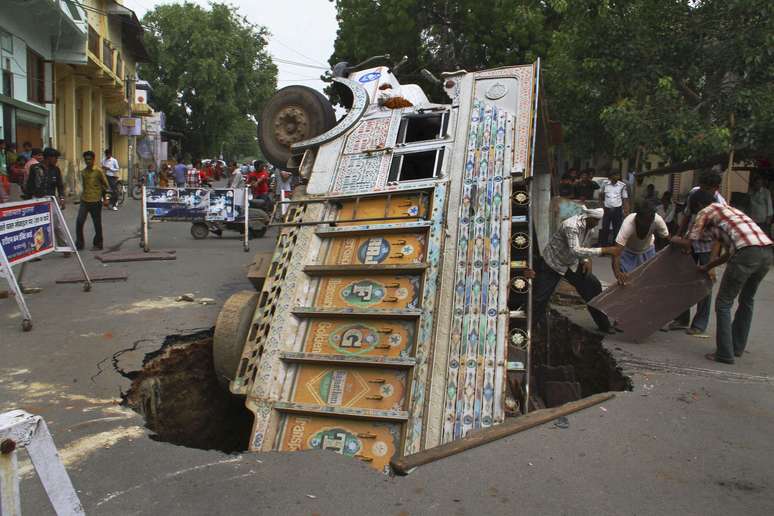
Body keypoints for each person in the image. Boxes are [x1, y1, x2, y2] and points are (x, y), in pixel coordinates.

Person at [672, 191, 772, 364]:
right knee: (747, 299)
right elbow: (729, 253)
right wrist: (708, 267)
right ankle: (737, 347)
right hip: (766, 251)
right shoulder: (729, 212)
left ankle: (725, 353)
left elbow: (689, 243)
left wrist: (673, 239)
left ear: (697, 206)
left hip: (747, 253)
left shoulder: (705, 212)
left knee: (723, 303)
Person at [532, 207, 619, 334]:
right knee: (540, 298)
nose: (596, 223)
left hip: (570, 264)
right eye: (595, 220)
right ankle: (526, 329)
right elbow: (575, 250)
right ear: (588, 218)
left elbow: (583, 247)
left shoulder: (589, 228)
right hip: (553, 263)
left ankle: (603, 324)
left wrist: (585, 260)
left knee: (592, 285)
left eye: (598, 221)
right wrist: (604, 250)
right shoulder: (571, 226)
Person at [611, 203, 669, 285]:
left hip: (648, 250)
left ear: (652, 222)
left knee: (648, 281)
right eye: (640, 227)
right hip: (628, 253)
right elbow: (616, 252)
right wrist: (618, 274)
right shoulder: (628, 224)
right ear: (636, 220)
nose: (642, 231)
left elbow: (665, 240)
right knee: (628, 282)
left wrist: (660, 260)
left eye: (645, 228)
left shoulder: (658, 221)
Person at [75, 151, 110, 251]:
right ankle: (79, 243)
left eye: (90, 159)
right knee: (79, 222)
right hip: (85, 200)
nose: (88, 161)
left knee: (97, 223)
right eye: (86, 159)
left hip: (96, 201)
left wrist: (106, 199)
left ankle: (98, 243)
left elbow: (106, 186)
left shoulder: (98, 171)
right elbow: (83, 186)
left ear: (93, 160)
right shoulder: (83, 172)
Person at [598, 169, 629, 245]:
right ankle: (604, 246)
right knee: (605, 228)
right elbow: (600, 196)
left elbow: (625, 199)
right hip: (607, 209)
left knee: (617, 229)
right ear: (611, 176)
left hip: (617, 210)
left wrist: (626, 211)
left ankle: (614, 246)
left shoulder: (622, 185)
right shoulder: (605, 184)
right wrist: (601, 207)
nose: (617, 176)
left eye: (618, 175)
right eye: (615, 175)